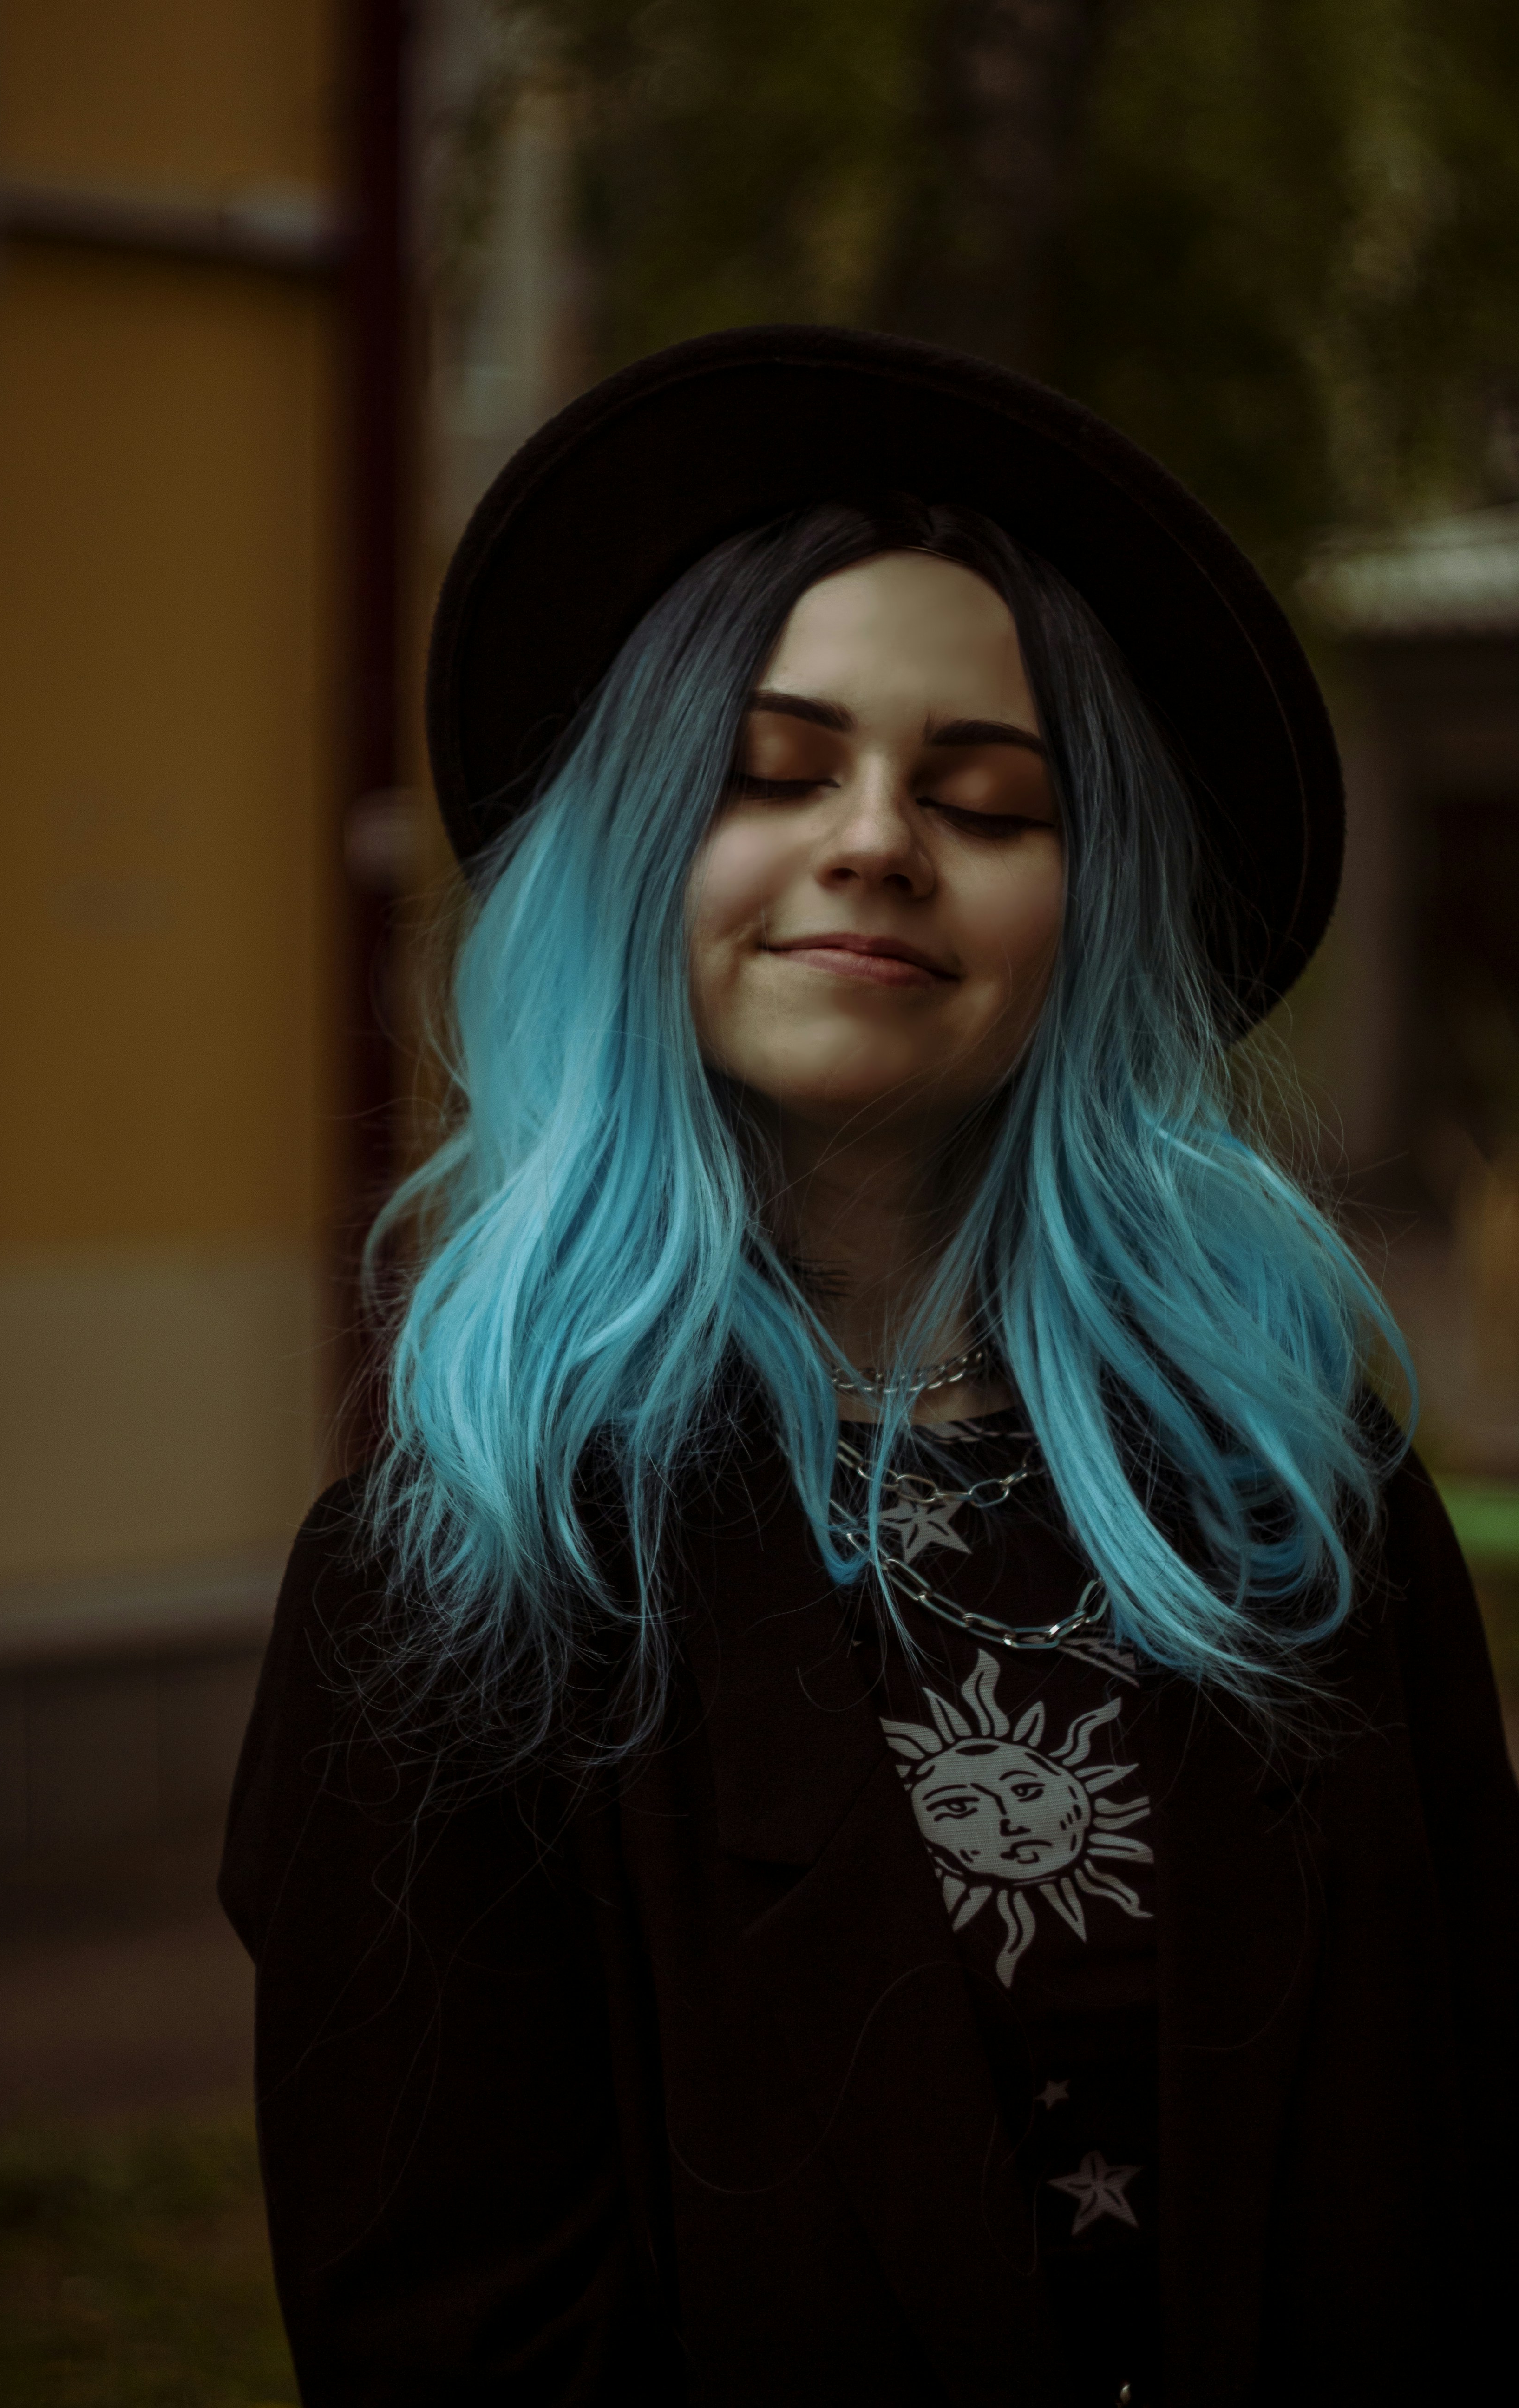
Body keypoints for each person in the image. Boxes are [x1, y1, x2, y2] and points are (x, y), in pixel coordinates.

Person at [220, 327, 1519, 2408]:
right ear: (639, 852)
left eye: (986, 798)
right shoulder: (450, 1589)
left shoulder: (1305, 1496)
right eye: (776, 770)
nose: (879, 839)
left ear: (1085, 917)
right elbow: (451, 2337)